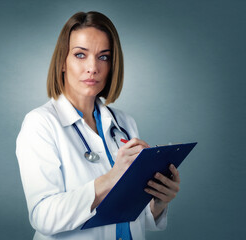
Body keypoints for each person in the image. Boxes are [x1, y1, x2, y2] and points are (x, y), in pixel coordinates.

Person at [16, 11, 180, 240]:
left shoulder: (124, 123)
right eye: (80, 55)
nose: (92, 67)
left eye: (103, 57)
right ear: (62, 62)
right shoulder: (40, 124)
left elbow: (126, 213)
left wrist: (158, 202)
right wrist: (112, 177)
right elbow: (43, 217)